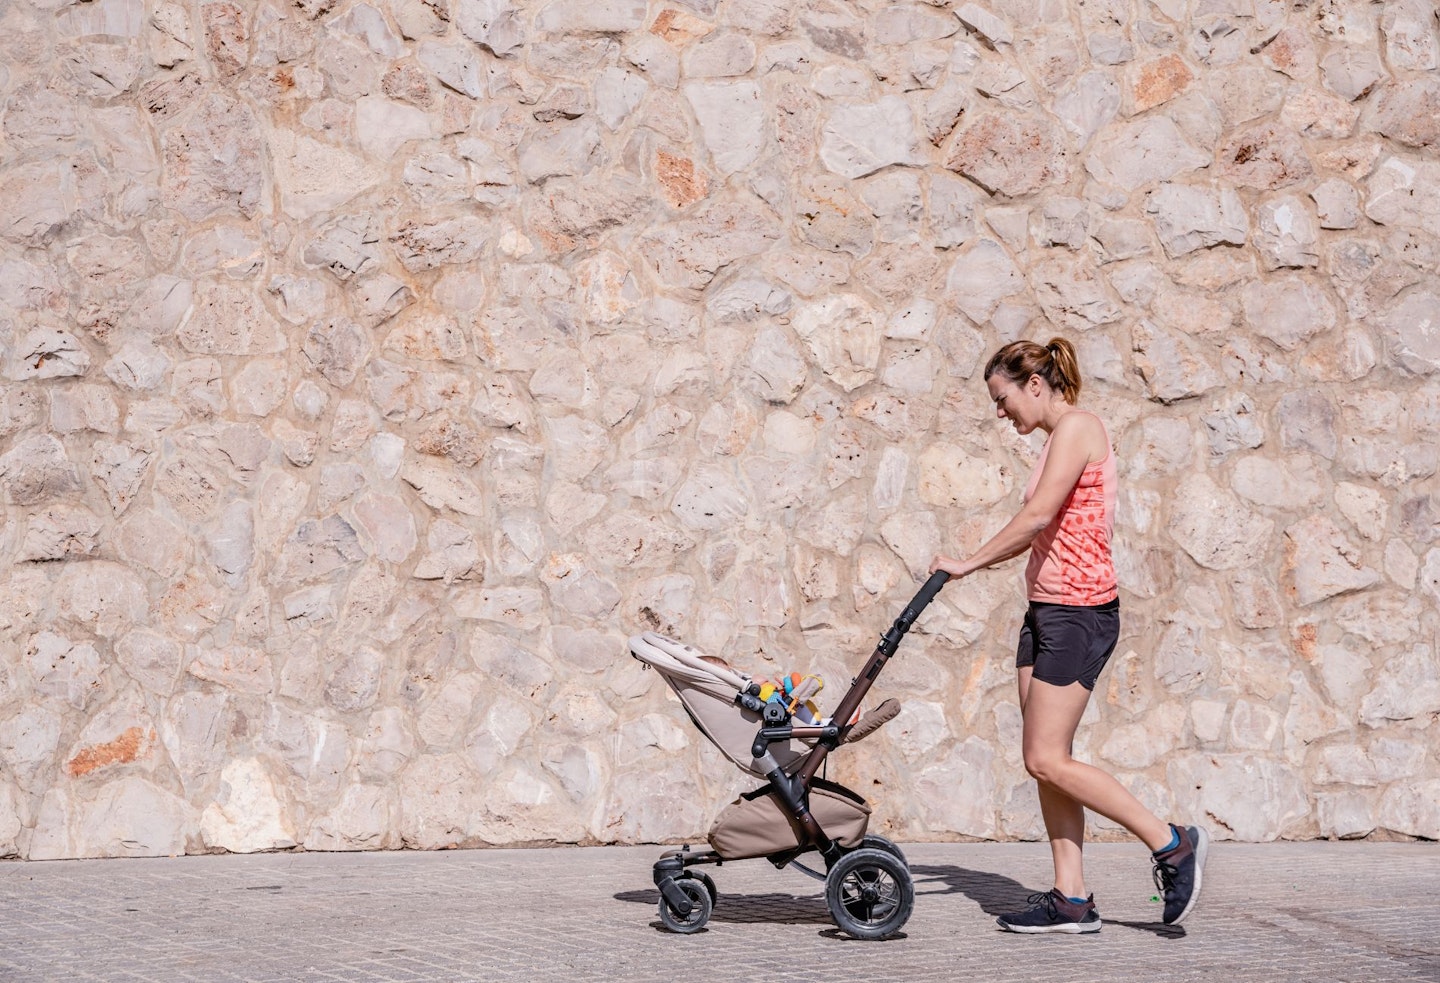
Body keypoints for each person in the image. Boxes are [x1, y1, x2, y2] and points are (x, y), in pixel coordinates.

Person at [929, 338, 1207, 934]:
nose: (1001, 413)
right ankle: (1071, 898)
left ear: (1035, 385)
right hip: (1046, 612)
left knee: (1045, 756)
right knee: (1045, 764)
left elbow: (1035, 519)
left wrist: (967, 563)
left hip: (1078, 614)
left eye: (1003, 399)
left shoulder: (1079, 426)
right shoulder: (1057, 439)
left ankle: (1172, 842)